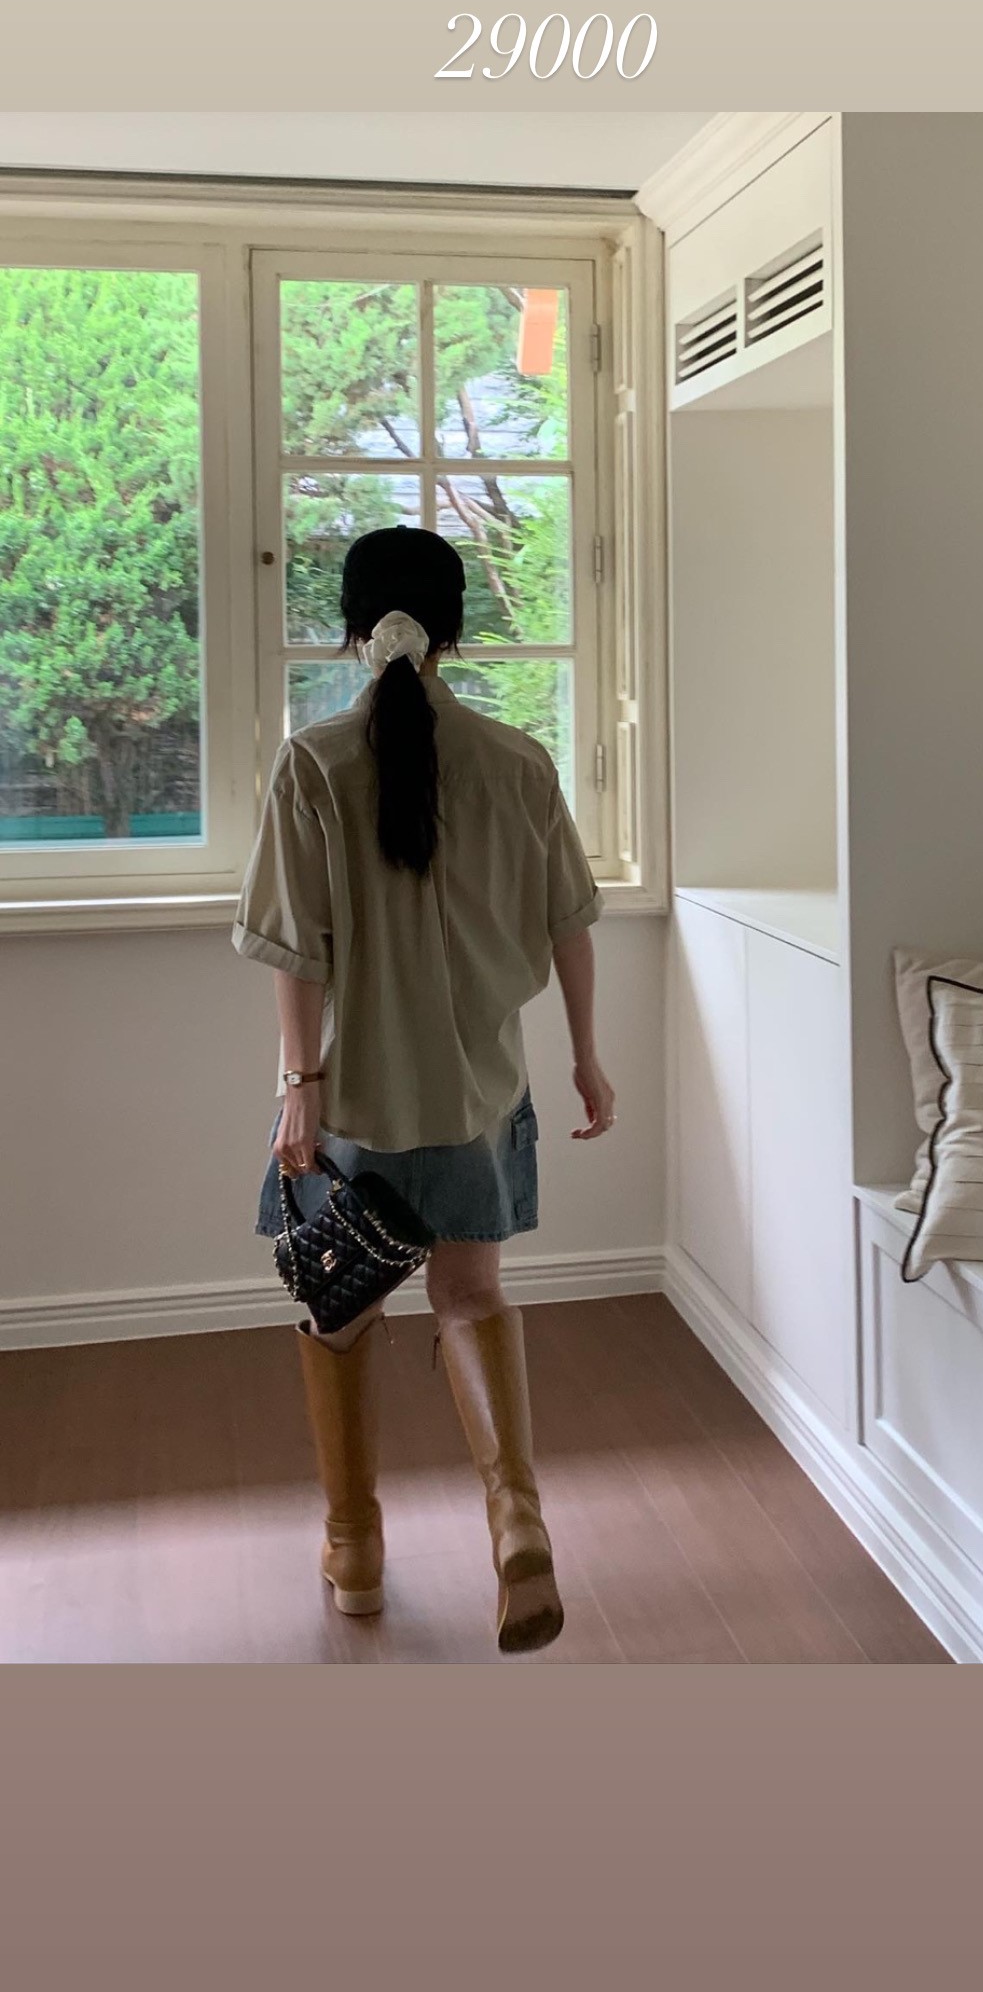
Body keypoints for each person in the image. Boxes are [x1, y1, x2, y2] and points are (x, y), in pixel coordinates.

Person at [232, 526, 615, 1655]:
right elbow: (571, 925)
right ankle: (516, 1516)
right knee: (473, 1298)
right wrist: (587, 1057)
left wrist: (299, 1083)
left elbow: (296, 948)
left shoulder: (313, 764)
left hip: (354, 1097)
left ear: (353, 626)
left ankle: (354, 1548)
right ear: (455, 630)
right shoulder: (520, 761)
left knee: (338, 1309)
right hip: (482, 1091)